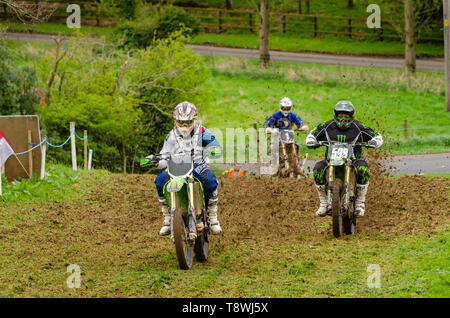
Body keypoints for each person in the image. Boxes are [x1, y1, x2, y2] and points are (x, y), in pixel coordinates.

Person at [149, 101, 223, 236]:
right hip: (176, 166)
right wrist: (155, 161)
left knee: (211, 181)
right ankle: (167, 218)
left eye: (187, 122)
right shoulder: (171, 135)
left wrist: (213, 151)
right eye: (181, 122)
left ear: (194, 120)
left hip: (197, 164)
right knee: (159, 181)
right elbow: (164, 155)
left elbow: (216, 147)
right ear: (175, 121)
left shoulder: (203, 132)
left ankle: (212, 218)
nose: (184, 126)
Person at [305, 101, 383, 217]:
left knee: (363, 169)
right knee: (318, 168)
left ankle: (360, 203)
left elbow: (377, 135)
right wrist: (312, 141)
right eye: (340, 115)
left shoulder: (359, 127)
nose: (343, 119)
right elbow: (312, 134)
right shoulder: (327, 126)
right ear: (336, 115)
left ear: (351, 116)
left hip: (354, 160)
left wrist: (373, 142)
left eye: (346, 116)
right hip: (330, 160)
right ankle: (324, 202)